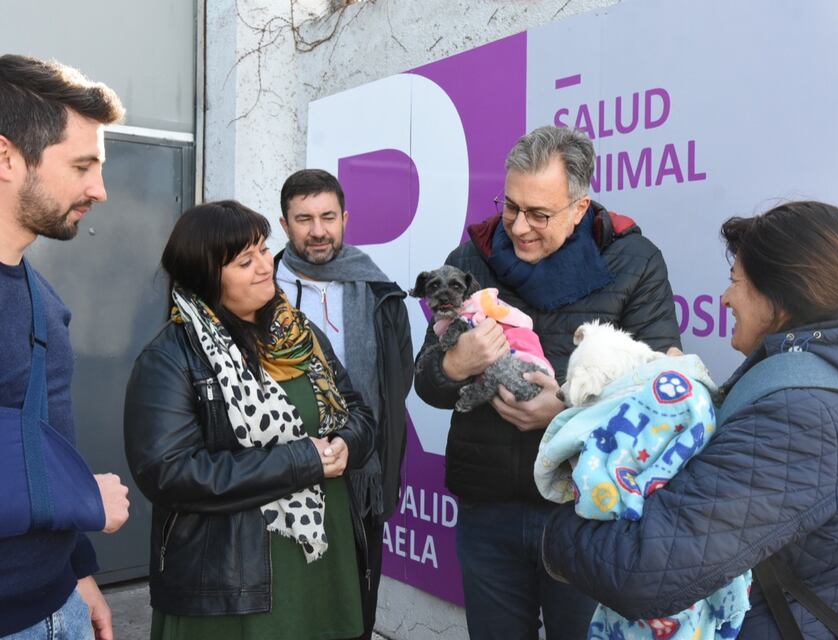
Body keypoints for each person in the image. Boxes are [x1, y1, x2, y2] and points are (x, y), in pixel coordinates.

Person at [542, 201, 838, 638]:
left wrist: (556, 530)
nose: (725, 298)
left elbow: (644, 569)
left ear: (781, 294)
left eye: (735, 281)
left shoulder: (803, 416)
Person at [414, 125, 681, 639]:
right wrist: (456, 366)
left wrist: (568, 416)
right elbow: (427, 384)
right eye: (511, 207)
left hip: (586, 510)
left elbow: (661, 396)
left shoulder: (633, 262)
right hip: (488, 506)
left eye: (539, 214)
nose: (519, 227)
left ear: (579, 208)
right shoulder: (470, 258)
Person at [123, 201, 375, 640]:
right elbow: (169, 473)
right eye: (245, 261)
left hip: (322, 564)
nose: (264, 266)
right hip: (233, 585)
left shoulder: (299, 335)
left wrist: (347, 443)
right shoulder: (170, 358)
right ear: (206, 277)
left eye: (262, 249)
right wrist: (303, 461)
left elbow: (358, 411)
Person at [0, 54, 131, 640]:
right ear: (6, 157)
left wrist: (79, 573)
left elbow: (42, 437)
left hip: (57, 603)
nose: (99, 190)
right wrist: (78, 495)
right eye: (82, 166)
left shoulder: (40, 294)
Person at [273, 168, 413, 638]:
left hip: (361, 470)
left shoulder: (377, 290)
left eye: (328, 217)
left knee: (355, 602)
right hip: (283, 472)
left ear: (345, 219)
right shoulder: (261, 288)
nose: (318, 230)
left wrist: (359, 439)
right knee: (291, 606)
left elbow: (398, 378)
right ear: (285, 224)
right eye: (304, 219)